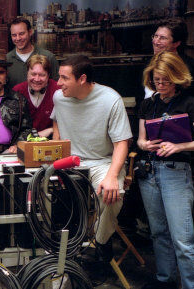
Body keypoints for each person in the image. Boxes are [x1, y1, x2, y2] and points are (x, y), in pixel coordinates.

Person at [137, 52, 194, 289]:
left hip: (175, 171)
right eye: (157, 80)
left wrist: (179, 145)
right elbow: (140, 140)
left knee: (182, 238)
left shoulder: (189, 102)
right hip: (149, 172)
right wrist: (145, 144)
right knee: (159, 233)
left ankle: (193, 286)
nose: (161, 86)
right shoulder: (148, 104)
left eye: (166, 81)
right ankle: (165, 280)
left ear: (177, 78)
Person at [51, 54, 132, 264]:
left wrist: (113, 176)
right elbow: (57, 120)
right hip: (70, 163)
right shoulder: (59, 97)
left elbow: (122, 143)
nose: (58, 83)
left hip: (102, 162)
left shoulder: (110, 99)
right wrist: (57, 143)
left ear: (82, 79)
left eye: (64, 78)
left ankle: (98, 242)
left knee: (113, 193)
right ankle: (58, 252)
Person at [148, 18, 194, 125]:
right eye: (155, 36)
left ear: (176, 43)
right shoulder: (148, 66)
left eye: (162, 38)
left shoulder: (193, 69)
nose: (156, 41)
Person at [13, 54, 59, 138]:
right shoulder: (17, 91)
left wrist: (52, 129)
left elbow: (68, 121)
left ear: (48, 76)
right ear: (27, 74)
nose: (37, 79)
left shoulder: (57, 90)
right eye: (33, 74)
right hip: (23, 141)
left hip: (51, 141)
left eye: (42, 75)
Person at [6, 17, 59, 88]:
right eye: (14, 35)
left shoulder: (48, 57)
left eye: (21, 34)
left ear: (30, 32)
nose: (18, 38)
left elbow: (56, 87)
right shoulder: (6, 60)